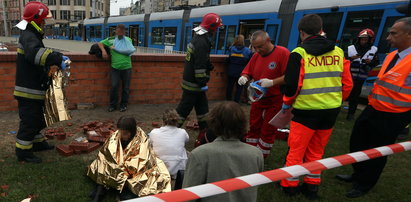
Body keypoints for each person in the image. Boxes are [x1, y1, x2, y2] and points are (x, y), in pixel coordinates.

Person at [278, 14, 352, 199]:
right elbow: (348, 84)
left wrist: (287, 105)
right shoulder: (338, 52)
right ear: (321, 30)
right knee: (317, 150)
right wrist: (336, 100)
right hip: (331, 111)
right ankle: (311, 187)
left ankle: (290, 186)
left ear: (301, 32)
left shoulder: (299, 53)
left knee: (296, 150)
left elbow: (292, 86)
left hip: (305, 112)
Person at [336, 17, 411, 198]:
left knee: (378, 151)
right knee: (358, 141)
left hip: (393, 115)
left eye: (393, 33)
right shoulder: (393, 55)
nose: (387, 38)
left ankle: (365, 183)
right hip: (373, 108)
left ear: (409, 35)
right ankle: (358, 174)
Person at [14, 1, 70, 163]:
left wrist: (54, 57)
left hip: (32, 88)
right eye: (43, 20)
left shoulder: (31, 34)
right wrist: (57, 57)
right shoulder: (29, 36)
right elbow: (36, 55)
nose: (45, 23)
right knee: (30, 121)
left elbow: (37, 55)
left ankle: (37, 143)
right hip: (28, 90)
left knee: (38, 119)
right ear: (36, 20)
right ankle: (23, 152)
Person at [182, 101, 263, 202]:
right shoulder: (256, 154)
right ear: (242, 123)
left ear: (213, 123)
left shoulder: (199, 154)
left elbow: (187, 196)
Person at [88, 116, 171, 201]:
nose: (122, 136)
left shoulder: (141, 140)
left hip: (132, 171)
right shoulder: (116, 136)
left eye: (125, 133)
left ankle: (117, 189)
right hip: (118, 167)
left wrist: (122, 169)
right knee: (104, 170)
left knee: (129, 186)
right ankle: (100, 192)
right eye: (120, 132)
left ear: (132, 132)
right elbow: (106, 154)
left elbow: (140, 163)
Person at [237, 30, 290, 157]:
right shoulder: (256, 56)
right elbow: (248, 71)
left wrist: (272, 82)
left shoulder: (283, 53)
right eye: (254, 47)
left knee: (268, 129)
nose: (257, 50)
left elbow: (289, 77)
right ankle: (250, 153)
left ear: (268, 40)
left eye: (260, 47)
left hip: (275, 99)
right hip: (257, 98)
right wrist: (244, 77)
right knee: (254, 126)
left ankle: (261, 156)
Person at [176, 13, 223, 143]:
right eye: (217, 27)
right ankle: (170, 131)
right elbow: (200, 65)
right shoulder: (203, 41)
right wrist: (202, 80)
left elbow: (201, 59)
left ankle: (206, 134)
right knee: (183, 110)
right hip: (194, 84)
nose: (218, 29)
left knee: (203, 110)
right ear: (212, 27)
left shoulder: (199, 37)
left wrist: (210, 65)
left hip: (193, 83)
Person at [98, 24, 135, 112]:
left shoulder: (128, 40)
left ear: (124, 32)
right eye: (119, 31)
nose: (120, 33)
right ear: (116, 31)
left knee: (126, 88)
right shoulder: (110, 40)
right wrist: (103, 51)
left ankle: (123, 105)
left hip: (127, 67)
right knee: (114, 86)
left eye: (122, 31)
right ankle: (113, 105)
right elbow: (100, 43)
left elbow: (129, 51)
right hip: (115, 67)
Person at [346, 29, 379, 120]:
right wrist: (351, 58)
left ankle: (351, 114)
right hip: (349, 75)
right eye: (362, 39)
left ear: (370, 40)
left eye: (365, 39)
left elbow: (376, 62)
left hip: (361, 77)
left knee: (355, 96)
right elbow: (344, 59)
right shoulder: (351, 48)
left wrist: (370, 62)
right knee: (344, 93)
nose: (363, 41)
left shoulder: (374, 49)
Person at [148, 109, 189, 179]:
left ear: (163, 121)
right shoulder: (183, 132)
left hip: (159, 169)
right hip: (178, 170)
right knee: (183, 149)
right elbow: (186, 140)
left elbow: (148, 143)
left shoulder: (154, 132)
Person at [226, 35, 252, 103]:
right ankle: (236, 101)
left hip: (231, 70)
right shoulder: (247, 50)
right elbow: (250, 62)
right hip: (241, 71)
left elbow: (228, 60)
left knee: (230, 86)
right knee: (239, 87)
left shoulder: (231, 48)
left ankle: (228, 99)